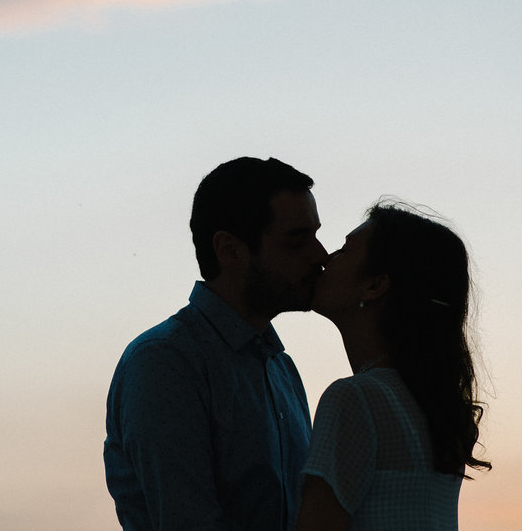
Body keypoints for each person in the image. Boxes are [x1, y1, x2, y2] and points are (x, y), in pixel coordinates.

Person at [104, 157, 329, 531]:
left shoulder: (280, 368)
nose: (320, 256)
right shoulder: (165, 363)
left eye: (315, 236)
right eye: (297, 241)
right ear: (230, 249)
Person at [295, 202, 491, 530]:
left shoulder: (356, 399)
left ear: (375, 285)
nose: (326, 259)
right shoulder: (435, 408)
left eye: (345, 250)